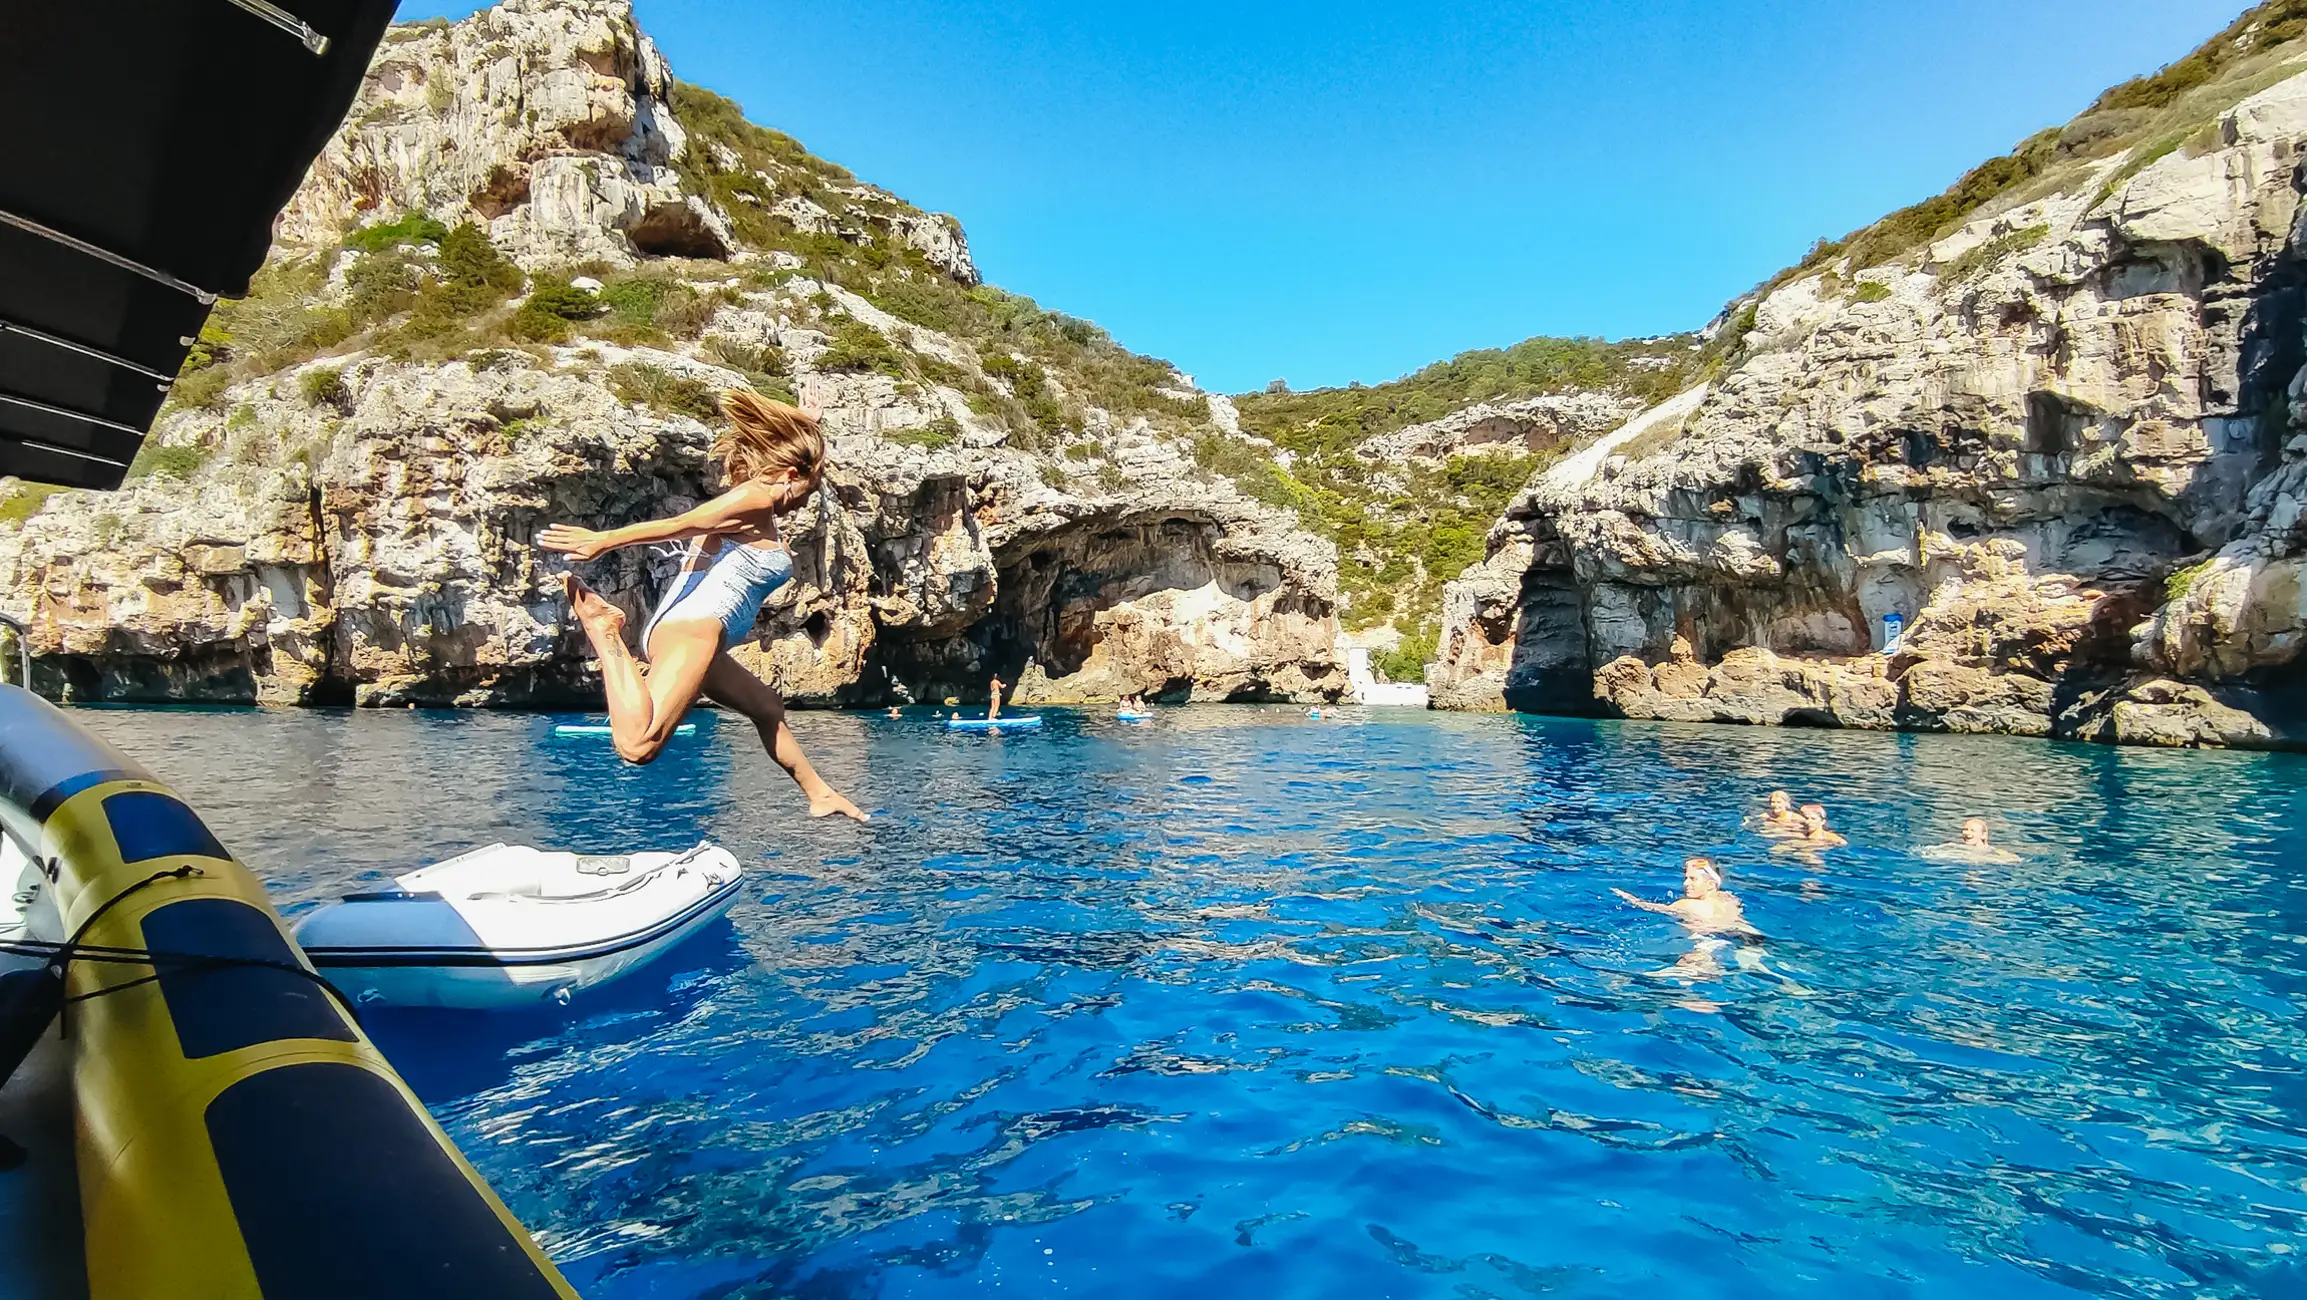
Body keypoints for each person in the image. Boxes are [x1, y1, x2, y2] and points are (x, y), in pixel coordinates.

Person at [540, 390, 865, 821]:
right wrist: (603, 541)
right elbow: (678, 525)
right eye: (807, 491)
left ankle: (820, 794)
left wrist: (807, 424)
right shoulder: (755, 500)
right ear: (787, 475)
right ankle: (604, 630)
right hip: (696, 626)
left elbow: (793, 464)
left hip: (705, 638)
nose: (805, 502)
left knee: (767, 708)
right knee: (637, 746)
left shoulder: (756, 500)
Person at [1612, 857, 1759, 938]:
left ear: (1709, 884)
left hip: (1709, 941)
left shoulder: (1687, 905)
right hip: (1750, 936)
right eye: (1686, 878)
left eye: (1692, 879)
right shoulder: (1729, 899)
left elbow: (1652, 908)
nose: (1685, 883)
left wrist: (1629, 898)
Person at [1920, 816, 2020, 864]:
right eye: (1965, 830)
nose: (1967, 833)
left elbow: (2015, 860)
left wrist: (1979, 859)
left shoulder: (1994, 851)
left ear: (1983, 835)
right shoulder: (1956, 847)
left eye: (1972, 830)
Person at [1773, 803, 1847, 856]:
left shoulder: (1829, 836)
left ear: (1822, 822)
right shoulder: (1801, 833)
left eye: (1813, 819)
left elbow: (1843, 843)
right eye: (1807, 818)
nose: (1809, 822)